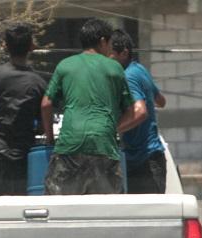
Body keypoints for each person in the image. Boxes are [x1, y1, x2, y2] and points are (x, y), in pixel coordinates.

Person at [41, 18, 146, 195]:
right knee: (107, 211)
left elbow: (46, 104)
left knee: (60, 209)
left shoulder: (65, 65)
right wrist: (111, 129)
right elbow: (132, 111)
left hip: (70, 145)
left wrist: (50, 137)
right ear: (103, 41)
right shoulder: (114, 68)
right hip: (103, 146)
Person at [0, 22, 47, 195]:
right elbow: (44, 123)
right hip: (22, 157)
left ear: (5, 46)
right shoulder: (38, 82)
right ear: (31, 46)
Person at [110, 29, 167, 194]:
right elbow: (161, 101)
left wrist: (113, 129)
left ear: (124, 53)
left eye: (111, 55)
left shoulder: (128, 76)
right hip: (153, 156)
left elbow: (141, 112)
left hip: (143, 162)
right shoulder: (140, 69)